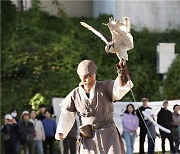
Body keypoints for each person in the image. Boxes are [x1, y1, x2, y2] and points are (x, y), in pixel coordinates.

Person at [55, 59, 134, 154]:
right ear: (80, 77)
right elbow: (67, 115)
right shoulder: (74, 94)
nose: (88, 80)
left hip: (108, 134)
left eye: (90, 76)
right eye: (85, 77)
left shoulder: (105, 86)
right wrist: (61, 131)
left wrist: (122, 74)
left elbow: (119, 91)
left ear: (95, 75)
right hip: (88, 137)